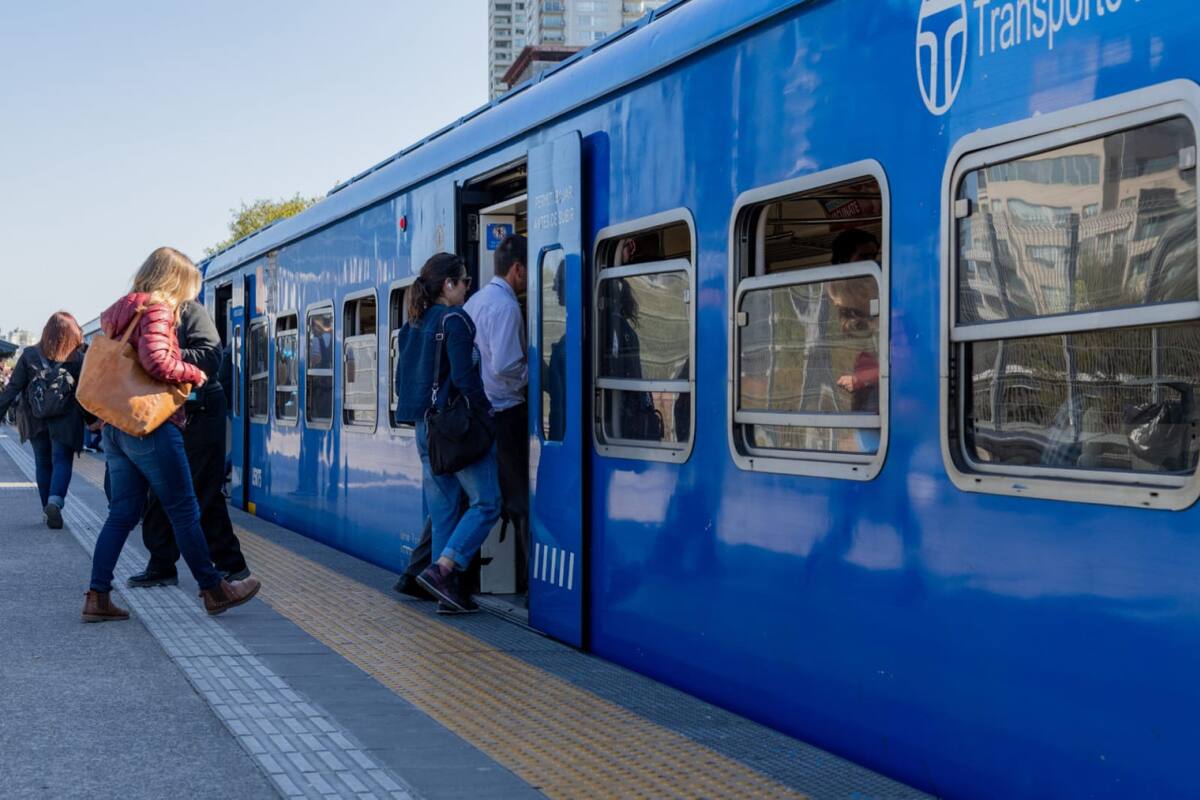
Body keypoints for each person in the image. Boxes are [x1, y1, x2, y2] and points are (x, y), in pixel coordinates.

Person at [82, 247, 260, 622]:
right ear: (175, 280)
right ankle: (214, 589)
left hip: (117, 423)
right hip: (150, 425)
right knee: (184, 509)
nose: (190, 296)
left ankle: (97, 597)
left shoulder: (121, 307)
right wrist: (194, 375)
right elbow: (156, 361)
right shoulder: (159, 307)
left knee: (123, 512)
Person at [394, 253, 501, 613]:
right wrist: (486, 414)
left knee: (444, 513)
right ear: (448, 285)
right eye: (465, 281)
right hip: (454, 430)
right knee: (487, 502)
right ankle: (443, 570)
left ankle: (446, 596)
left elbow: (401, 383)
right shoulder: (455, 319)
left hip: (424, 429)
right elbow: (465, 378)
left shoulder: (412, 324)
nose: (469, 287)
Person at [127, 300, 250, 588]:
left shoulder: (189, 312)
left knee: (202, 488)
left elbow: (211, 355)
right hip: (165, 411)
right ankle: (161, 564)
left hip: (201, 410)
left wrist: (162, 355)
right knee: (159, 489)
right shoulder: (145, 313)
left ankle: (231, 564)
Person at [464, 234, 530, 593]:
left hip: (482, 415)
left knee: (487, 497)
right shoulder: (506, 306)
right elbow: (507, 365)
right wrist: (535, 373)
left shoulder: (475, 302)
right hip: (506, 414)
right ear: (518, 269)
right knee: (521, 500)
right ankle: (531, 581)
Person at [0, 312, 89, 528]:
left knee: (42, 463)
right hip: (66, 418)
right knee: (61, 460)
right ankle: (55, 502)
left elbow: (13, 388)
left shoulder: (30, 354)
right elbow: (85, 392)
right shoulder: (77, 358)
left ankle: (46, 510)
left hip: (35, 417)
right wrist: (93, 419)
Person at [828, 229, 882, 452]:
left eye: (874, 257)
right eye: (864, 257)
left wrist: (861, 379)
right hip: (854, 400)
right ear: (844, 261)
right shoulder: (832, 299)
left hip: (875, 395)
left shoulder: (882, 296)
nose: (873, 264)